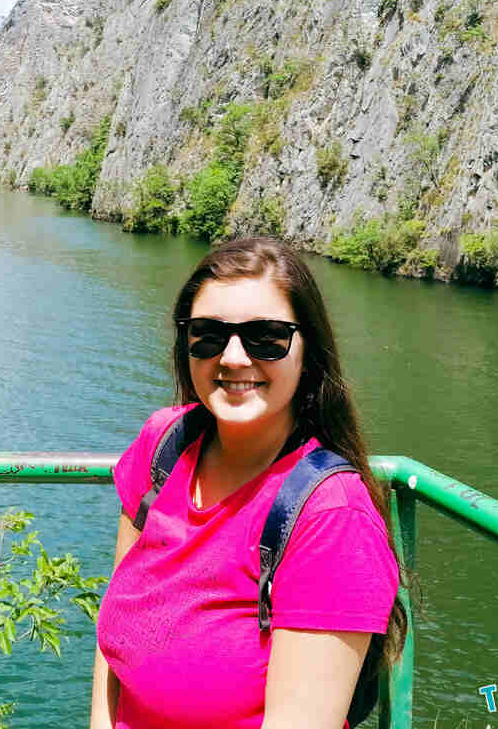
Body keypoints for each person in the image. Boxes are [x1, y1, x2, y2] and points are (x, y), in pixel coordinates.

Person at [90, 237, 405, 729]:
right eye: (208, 335)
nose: (234, 357)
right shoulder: (162, 449)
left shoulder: (331, 518)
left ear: (309, 352)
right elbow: (112, 645)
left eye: (266, 337)